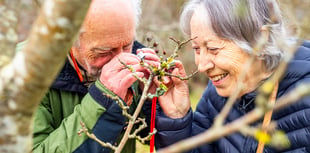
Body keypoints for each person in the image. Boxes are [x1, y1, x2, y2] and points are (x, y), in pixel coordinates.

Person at [155, 0, 310, 152]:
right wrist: (177, 120)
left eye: (213, 49)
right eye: (196, 49)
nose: (201, 66)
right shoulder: (216, 94)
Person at [31, 0, 159, 152]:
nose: (122, 60)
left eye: (127, 46)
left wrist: (155, 102)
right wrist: (102, 102)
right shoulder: (22, 75)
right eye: (104, 52)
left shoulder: (137, 58)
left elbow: (153, 137)